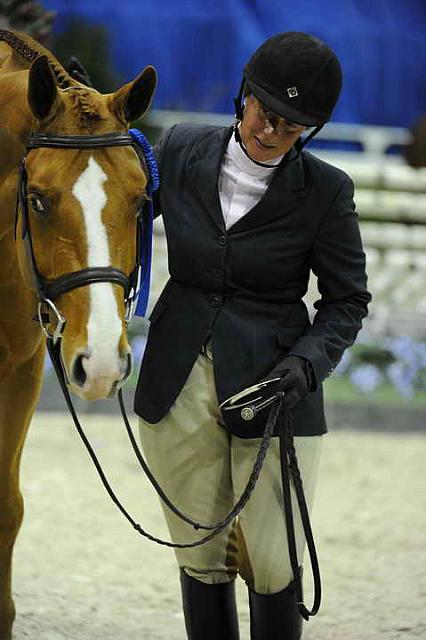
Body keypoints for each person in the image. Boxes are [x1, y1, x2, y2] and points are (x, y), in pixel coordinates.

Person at [134, 31, 371, 640]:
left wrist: (306, 365)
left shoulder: (326, 190)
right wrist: (93, 125)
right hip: (177, 373)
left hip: (274, 387)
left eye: (292, 127)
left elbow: (347, 300)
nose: (271, 133)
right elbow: (118, 211)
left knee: (272, 558)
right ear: (244, 96)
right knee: (199, 550)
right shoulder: (181, 149)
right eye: (266, 114)